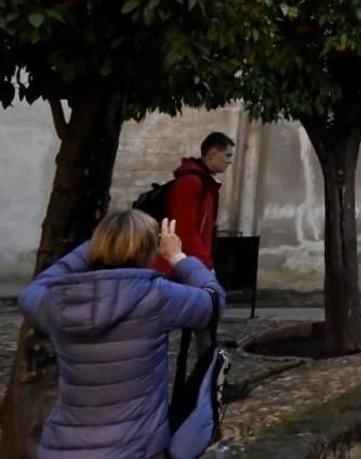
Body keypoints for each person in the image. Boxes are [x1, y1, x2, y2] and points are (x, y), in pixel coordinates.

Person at [19, 211, 223, 458]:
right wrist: (177, 257)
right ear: (148, 251)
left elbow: (31, 292)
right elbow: (214, 300)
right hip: (136, 446)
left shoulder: (58, 300)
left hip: (64, 448)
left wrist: (95, 245)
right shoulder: (157, 297)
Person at [166, 132, 235, 276]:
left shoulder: (203, 183)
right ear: (213, 154)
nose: (230, 161)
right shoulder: (191, 182)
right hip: (185, 265)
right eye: (228, 155)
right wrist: (205, 265)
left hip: (190, 263)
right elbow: (184, 230)